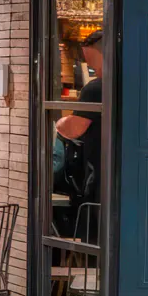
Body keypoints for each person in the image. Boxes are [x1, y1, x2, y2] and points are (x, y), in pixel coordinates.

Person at [54, 31, 104, 205]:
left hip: (99, 170)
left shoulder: (96, 89)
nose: (89, 65)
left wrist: (60, 123)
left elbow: (74, 129)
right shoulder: (134, 83)